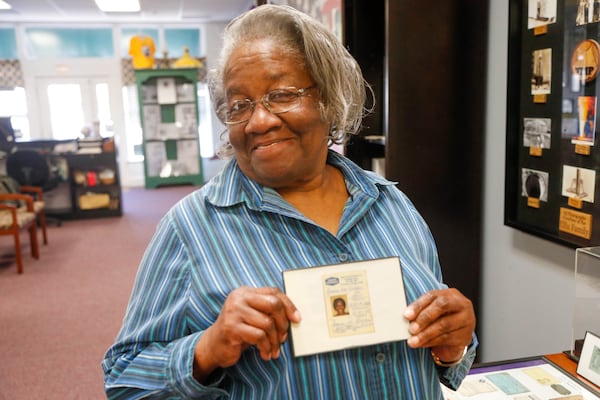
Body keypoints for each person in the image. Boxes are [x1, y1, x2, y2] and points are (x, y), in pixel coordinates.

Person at [102, 4, 477, 399]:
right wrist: (208, 348)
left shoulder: (392, 204)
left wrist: (454, 347)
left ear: (329, 98)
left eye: (281, 95)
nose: (258, 121)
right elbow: (124, 381)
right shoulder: (191, 228)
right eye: (239, 105)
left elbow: (441, 352)